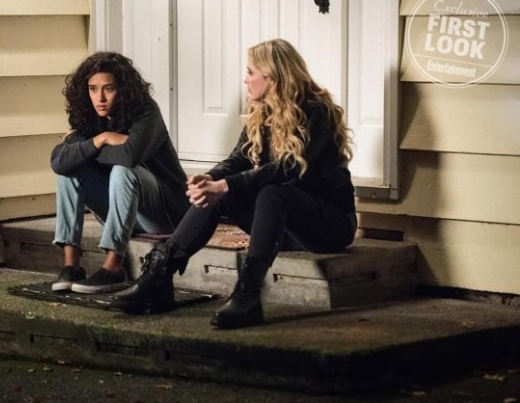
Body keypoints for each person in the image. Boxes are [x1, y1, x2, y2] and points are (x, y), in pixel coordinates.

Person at [110, 39, 357, 328]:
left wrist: (226, 185)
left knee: (272, 193)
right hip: (283, 227)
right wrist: (210, 179)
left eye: (251, 72)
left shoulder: (317, 112)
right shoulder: (262, 112)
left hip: (328, 227)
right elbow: (238, 159)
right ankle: (158, 279)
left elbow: (289, 167)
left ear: (272, 76)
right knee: (230, 192)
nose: (245, 79)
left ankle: (247, 294)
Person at [50, 52, 189, 294]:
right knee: (69, 171)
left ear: (123, 90)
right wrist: (101, 139)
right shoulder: (91, 117)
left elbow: (129, 157)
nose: (100, 98)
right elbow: (59, 161)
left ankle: (113, 267)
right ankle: (71, 266)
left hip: (165, 212)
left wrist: (86, 149)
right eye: (93, 89)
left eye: (109, 89)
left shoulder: (146, 112)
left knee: (123, 171)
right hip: (126, 212)